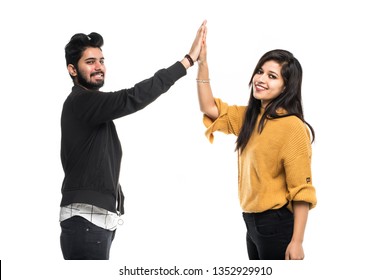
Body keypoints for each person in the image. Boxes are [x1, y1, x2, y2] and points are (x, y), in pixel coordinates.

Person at [59, 21, 207, 260]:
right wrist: (187, 61)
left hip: (97, 220)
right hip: (85, 220)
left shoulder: (94, 110)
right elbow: (134, 97)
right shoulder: (81, 102)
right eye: (90, 62)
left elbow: (98, 161)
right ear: (72, 70)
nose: (99, 67)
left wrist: (116, 198)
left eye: (101, 61)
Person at [196, 28, 317, 260]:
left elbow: (301, 191)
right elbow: (209, 108)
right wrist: (202, 63)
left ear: (286, 86)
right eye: (260, 72)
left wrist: (297, 241)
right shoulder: (250, 117)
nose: (260, 79)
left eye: (272, 76)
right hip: (252, 223)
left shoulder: (292, 127)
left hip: (276, 224)